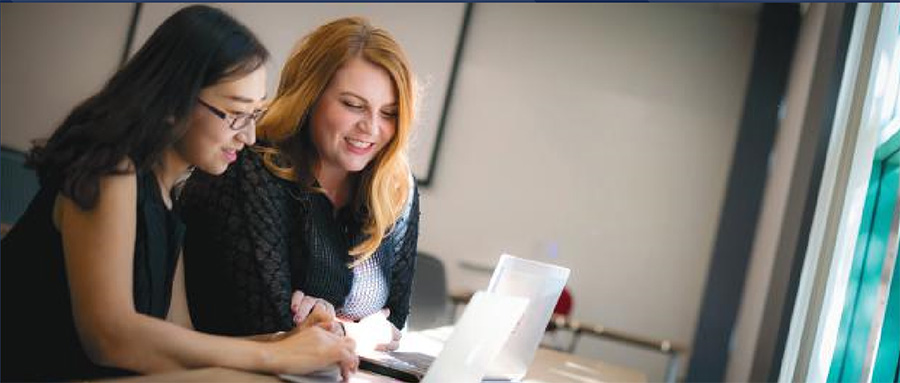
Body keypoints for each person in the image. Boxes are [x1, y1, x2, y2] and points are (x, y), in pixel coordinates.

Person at [0, 6, 357, 381]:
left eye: (255, 115)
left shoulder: (169, 194)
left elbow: (181, 339)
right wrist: (277, 356)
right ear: (175, 102)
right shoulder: (111, 171)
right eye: (236, 114)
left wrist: (287, 341)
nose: (248, 136)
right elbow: (110, 337)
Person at [179, 16, 420, 352]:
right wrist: (361, 334)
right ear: (309, 97)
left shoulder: (396, 186)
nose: (371, 127)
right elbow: (270, 327)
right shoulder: (248, 167)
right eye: (353, 105)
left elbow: (396, 321)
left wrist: (332, 328)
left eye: (390, 112)